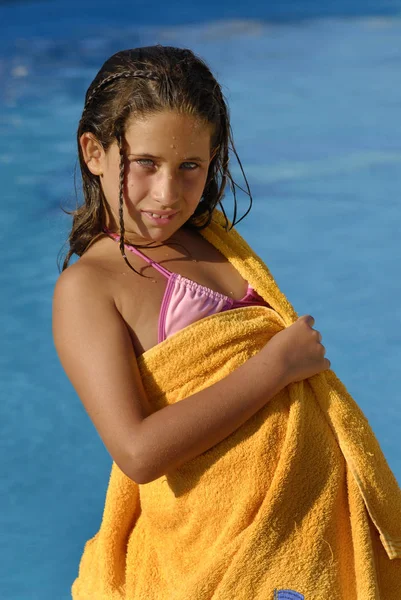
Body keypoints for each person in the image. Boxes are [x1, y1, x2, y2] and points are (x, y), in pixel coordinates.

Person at [54, 46, 401, 599]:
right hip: (227, 553)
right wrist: (275, 367)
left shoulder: (211, 235)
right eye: (145, 163)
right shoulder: (91, 288)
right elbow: (137, 453)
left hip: (306, 539)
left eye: (190, 166)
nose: (168, 194)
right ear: (95, 152)